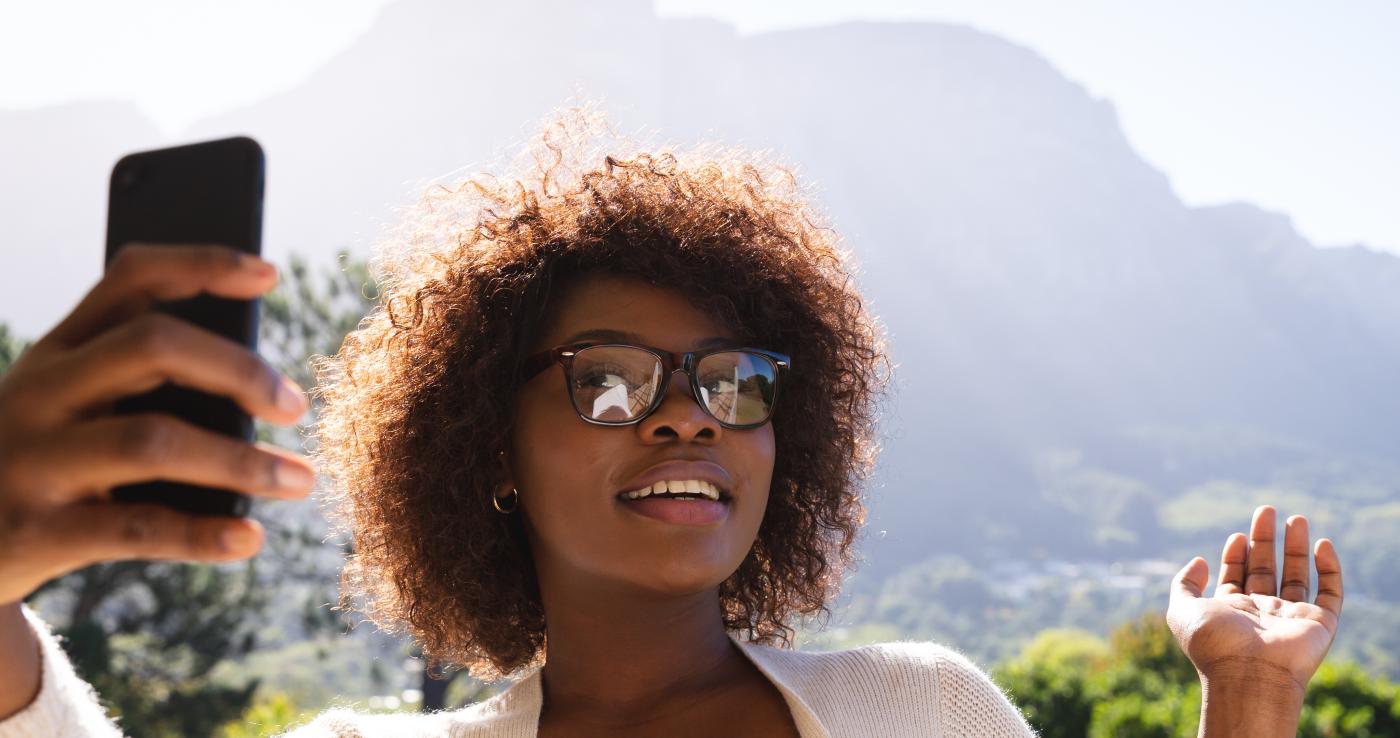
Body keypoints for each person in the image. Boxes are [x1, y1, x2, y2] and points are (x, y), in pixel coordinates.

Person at [0, 112, 1344, 737]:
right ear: (490, 449)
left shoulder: (919, 710)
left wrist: (1252, 696)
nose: (687, 419)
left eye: (735, 381)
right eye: (609, 380)